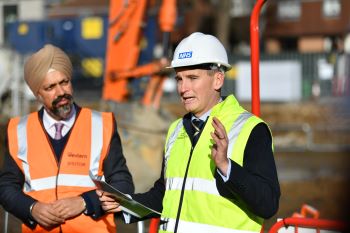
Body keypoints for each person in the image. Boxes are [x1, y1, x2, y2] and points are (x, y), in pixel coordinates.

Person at [99, 32, 280, 233]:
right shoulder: (176, 130)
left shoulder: (250, 129)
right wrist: (123, 204)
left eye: (192, 78)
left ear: (218, 79)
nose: (183, 88)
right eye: (179, 79)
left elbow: (268, 204)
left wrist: (226, 167)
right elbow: (164, 195)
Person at [0, 44, 134, 233]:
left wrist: (85, 202)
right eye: (50, 87)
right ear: (38, 94)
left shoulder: (102, 125)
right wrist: (32, 208)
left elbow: (123, 185)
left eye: (64, 82)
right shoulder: (18, 130)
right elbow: (6, 187)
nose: (61, 92)